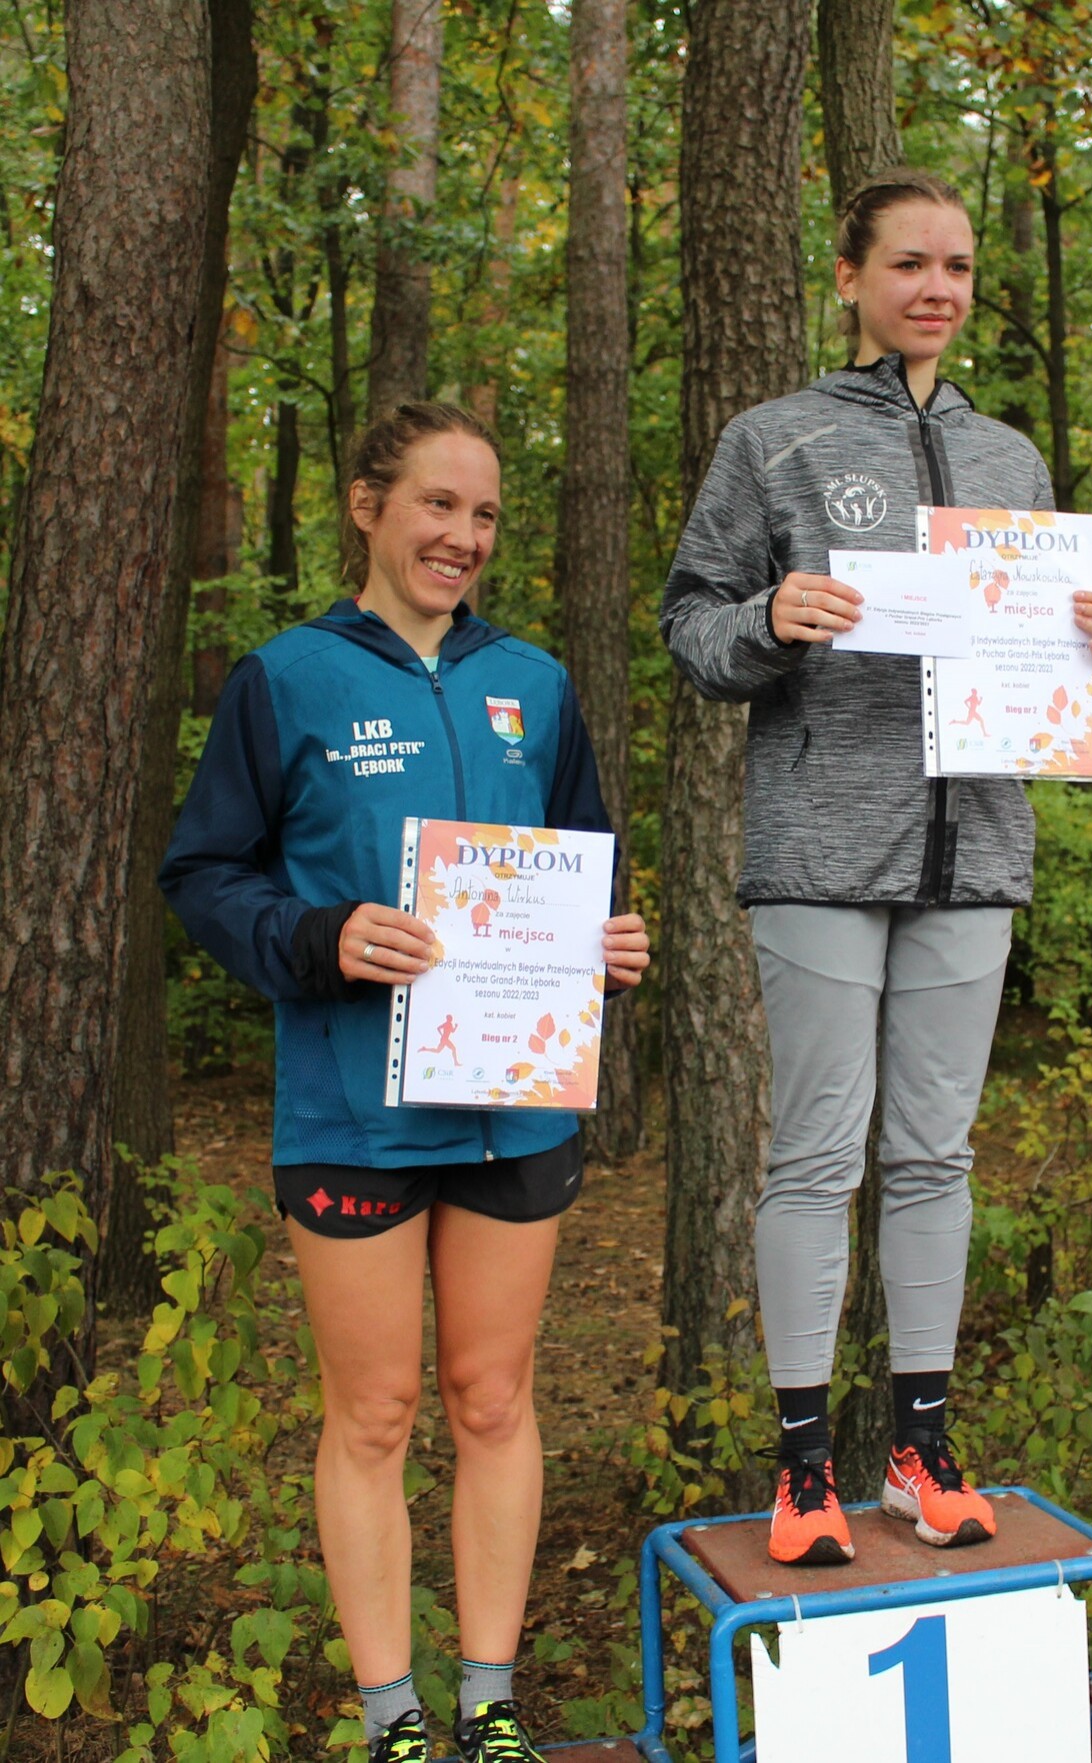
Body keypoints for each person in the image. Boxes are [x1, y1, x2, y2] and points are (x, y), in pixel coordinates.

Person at [659, 167, 1092, 1568]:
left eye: (959, 267)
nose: (939, 288)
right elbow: (690, 623)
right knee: (816, 1153)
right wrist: (768, 617)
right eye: (911, 263)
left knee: (935, 1154)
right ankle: (802, 1465)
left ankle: (921, 1448)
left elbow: (1044, 653)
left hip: (974, 846)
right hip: (821, 843)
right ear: (851, 278)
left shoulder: (1013, 464)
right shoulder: (777, 440)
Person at [161, 403, 651, 1763]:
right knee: (374, 1412)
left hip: (513, 1103)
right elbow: (202, 874)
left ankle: (490, 1705)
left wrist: (607, 949)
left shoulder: (535, 683)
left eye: (484, 514)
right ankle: (396, 1720)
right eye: (438, 504)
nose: (463, 536)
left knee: (493, 1398)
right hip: (352, 1106)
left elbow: (581, 865)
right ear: (368, 505)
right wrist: (315, 936)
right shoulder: (287, 677)